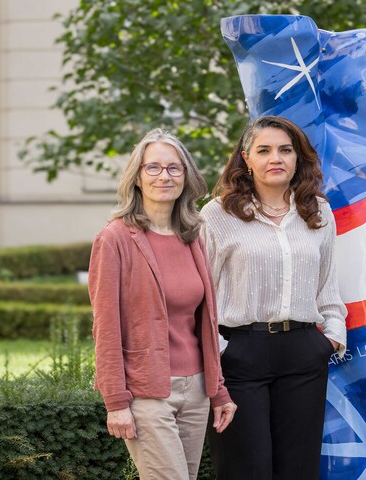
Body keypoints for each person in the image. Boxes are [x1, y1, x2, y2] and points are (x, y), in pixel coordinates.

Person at [200, 115, 347, 480]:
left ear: (298, 158)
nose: (275, 158)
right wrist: (220, 349)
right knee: (246, 469)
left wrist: (330, 338)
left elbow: (328, 287)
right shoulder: (218, 215)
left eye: (285, 150)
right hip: (239, 355)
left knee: (298, 470)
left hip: (303, 351)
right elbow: (202, 296)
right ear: (246, 159)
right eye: (263, 150)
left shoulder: (319, 213)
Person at [88, 128, 237, 480]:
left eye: (173, 168)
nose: (163, 176)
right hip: (147, 392)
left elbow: (204, 323)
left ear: (186, 177)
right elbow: (105, 328)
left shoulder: (193, 236)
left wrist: (218, 391)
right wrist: (116, 403)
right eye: (152, 167)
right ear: (137, 177)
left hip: (197, 390)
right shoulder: (115, 239)